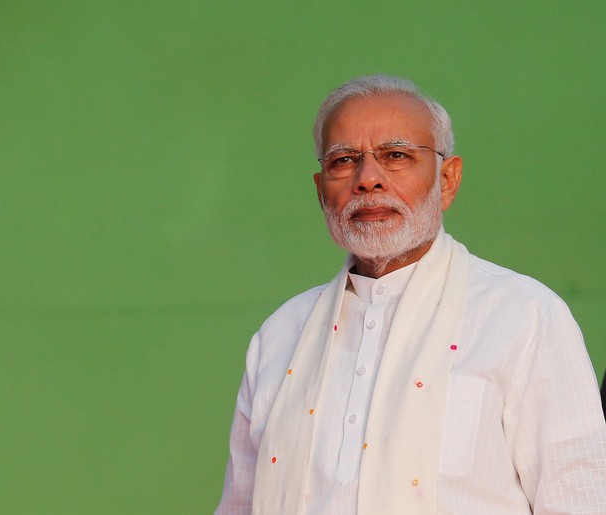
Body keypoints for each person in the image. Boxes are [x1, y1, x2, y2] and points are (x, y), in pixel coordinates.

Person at [215, 75, 606, 514]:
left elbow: (580, 500)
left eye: (396, 155)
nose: (368, 180)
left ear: (448, 180)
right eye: (344, 160)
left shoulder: (523, 315)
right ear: (320, 190)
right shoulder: (280, 336)